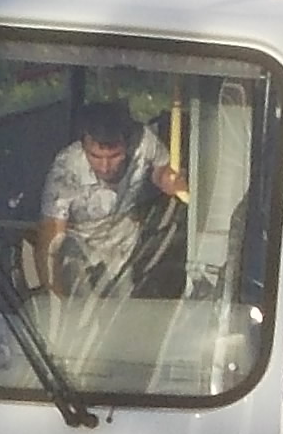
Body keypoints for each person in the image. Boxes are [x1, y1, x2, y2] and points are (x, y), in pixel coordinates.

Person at [34, 98, 182, 297]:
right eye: (95, 156)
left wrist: (169, 180)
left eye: (114, 156)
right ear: (83, 145)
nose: (105, 167)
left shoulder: (144, 142)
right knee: (80, 311)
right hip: (81, 247)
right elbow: (51, 242)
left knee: (121, 313)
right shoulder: (65, 171)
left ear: (128, 144)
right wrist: (57, 300)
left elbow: (161, 170)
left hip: (123, 245)